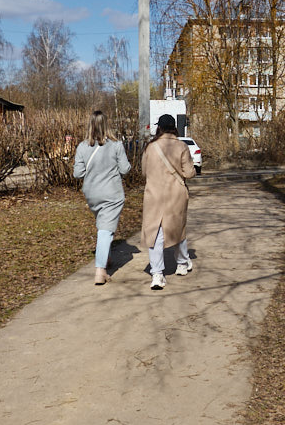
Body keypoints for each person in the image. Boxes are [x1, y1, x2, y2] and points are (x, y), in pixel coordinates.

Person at [73, 110, 131, 285]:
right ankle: (100, 270)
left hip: (92, 194)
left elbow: (78, 173)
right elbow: (125, 169)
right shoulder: (116, 145)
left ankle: (106, 259)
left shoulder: (82, 146)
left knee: (102, 223)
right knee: (105, 229)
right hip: (112, 193)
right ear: (107, 125)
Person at [141, 113, 197, 290]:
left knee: (154, 233)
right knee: (177, 228)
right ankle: (181, 263)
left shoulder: (150, 147)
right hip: (175, 194)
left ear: (159, 127)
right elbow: (188, 173)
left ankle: (157, 274)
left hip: (154, 195)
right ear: (174, 127)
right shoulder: (181, 146)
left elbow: (144, 171)